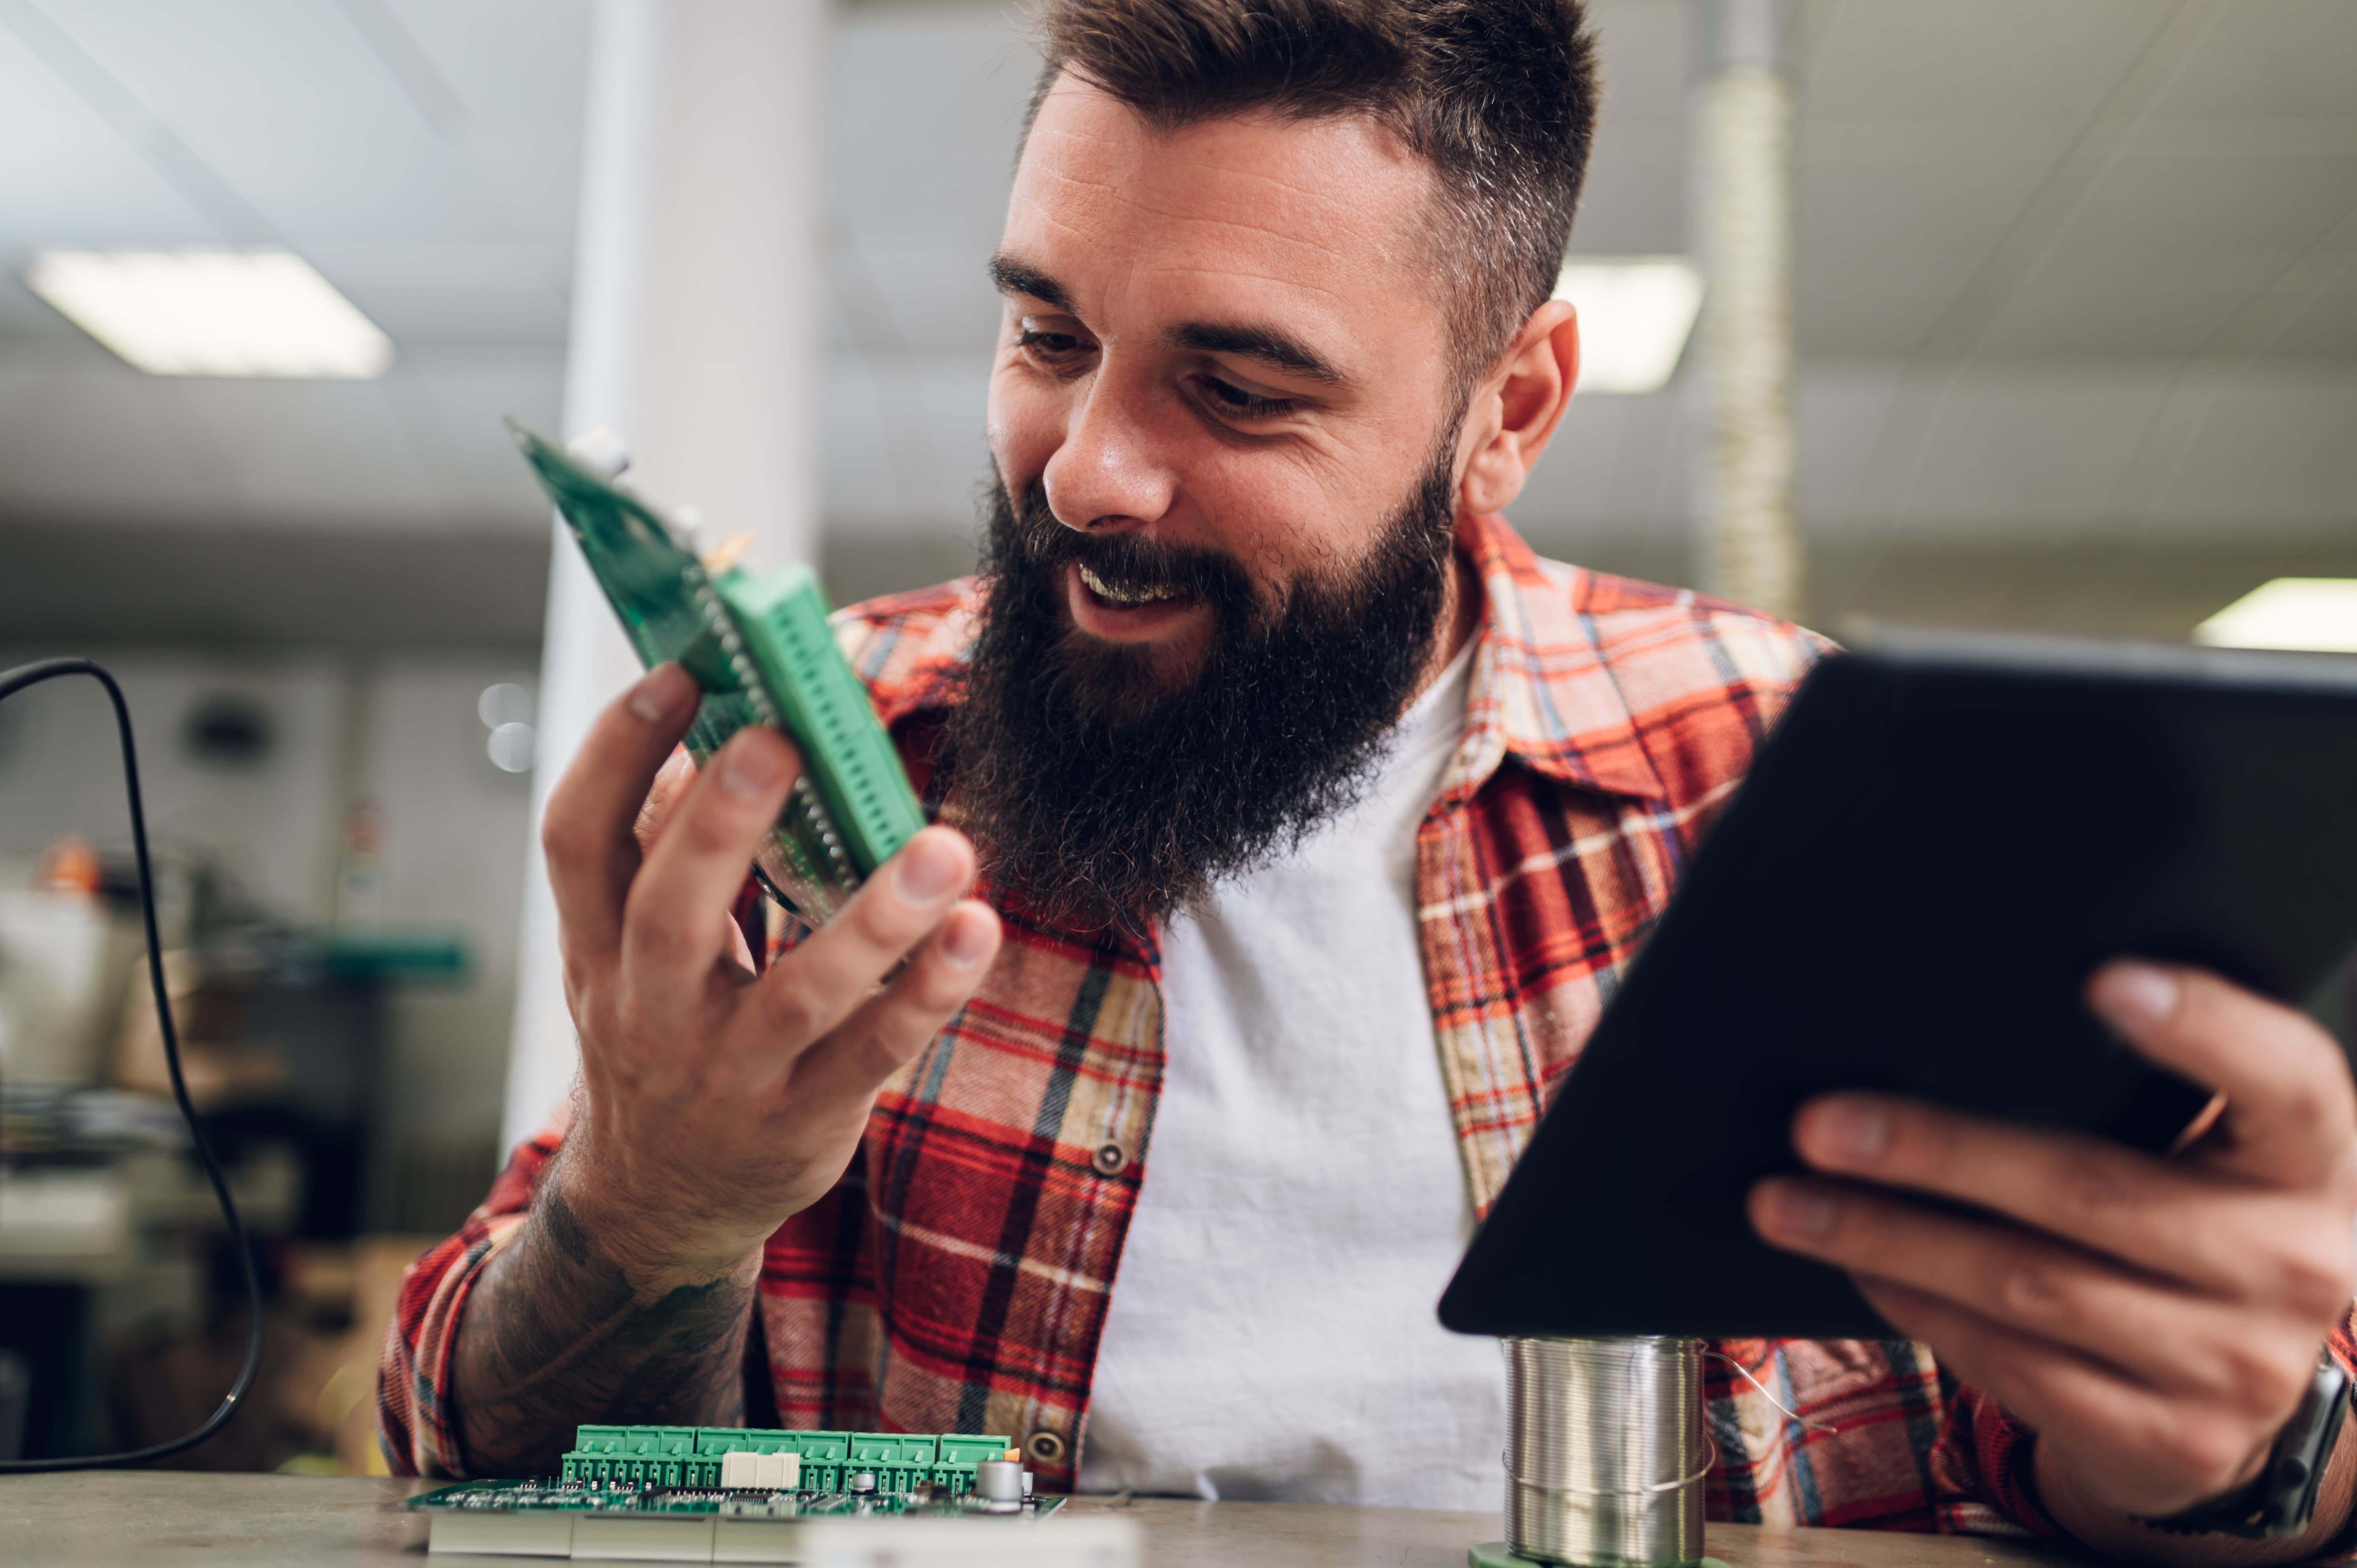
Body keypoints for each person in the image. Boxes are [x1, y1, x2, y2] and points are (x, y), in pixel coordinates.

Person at [381, 0, 2357, 1559]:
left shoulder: (1806, 782)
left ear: (1505, 413)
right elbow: (496, 1479)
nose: (1084, 472)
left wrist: (2234, 1445)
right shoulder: (829, 781)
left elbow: (2071, 1445)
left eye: (1235, 388)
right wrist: (651, 1209)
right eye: (1046, 333)